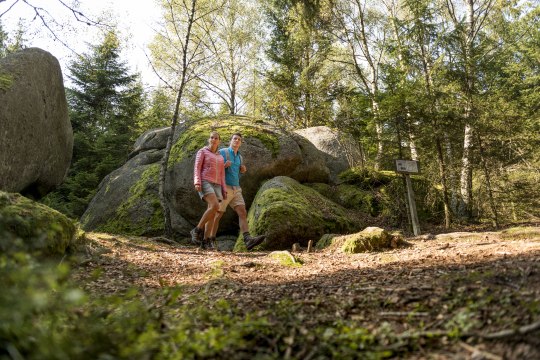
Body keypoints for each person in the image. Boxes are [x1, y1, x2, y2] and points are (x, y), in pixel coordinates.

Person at [208, 133, 266, 251]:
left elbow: (235, 174)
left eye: (239, 139)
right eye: (235, 139)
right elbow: (212, 167)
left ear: (241, 143)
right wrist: (224, 166)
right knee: (218, 214)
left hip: (236, 188)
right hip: (224, 187)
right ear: (231, 140)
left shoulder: (240, 157)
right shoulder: (223, 152)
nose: (237, 141)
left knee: (242, 212)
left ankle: (248, 239)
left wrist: (242, 171)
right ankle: (210, 240)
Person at [190, 131, 227, 249]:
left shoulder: (220, 157)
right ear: (209, 139)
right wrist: (197, 181)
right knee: (215, 206)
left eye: (216, 138)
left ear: (219, 141)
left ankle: (206, 241)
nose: (214, 140)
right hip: (205, 181)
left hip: (217, 184)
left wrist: (224, 189)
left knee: (213, 211)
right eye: (212, 137)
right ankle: (197, 229)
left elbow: (222, 174)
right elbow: (197, 168)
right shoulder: (202, 152)